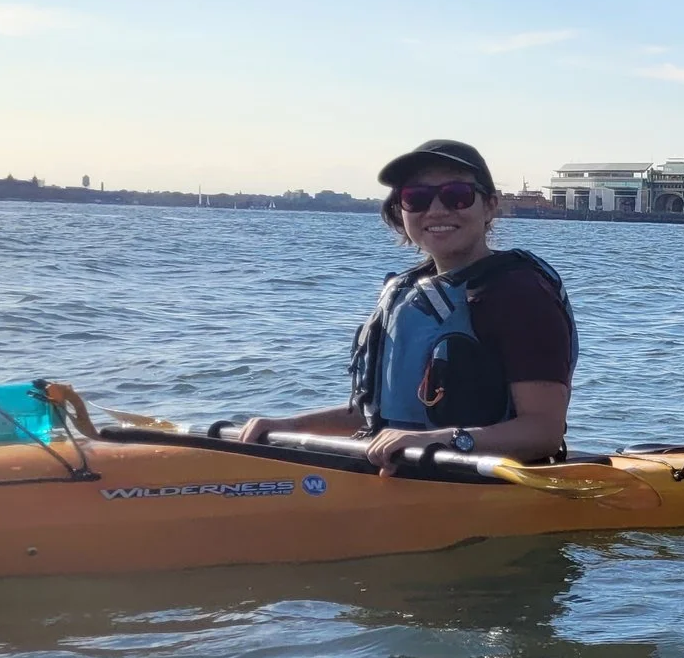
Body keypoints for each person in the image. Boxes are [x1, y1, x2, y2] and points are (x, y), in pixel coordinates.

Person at [238, 141, 577, 473]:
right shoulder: (406, 292)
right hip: (400, 474)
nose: (437, 210)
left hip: (482, 487)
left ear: (489, 206)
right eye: (416, 198)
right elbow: (378, 417)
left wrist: (440, 441)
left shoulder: (520, 293)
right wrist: (288, 427)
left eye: (456, 196)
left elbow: (542, 432)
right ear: (400, 212)